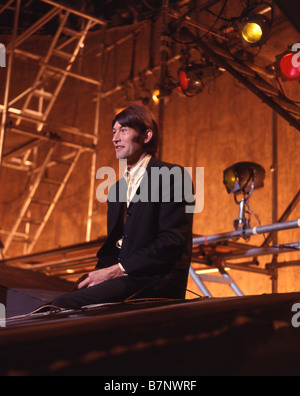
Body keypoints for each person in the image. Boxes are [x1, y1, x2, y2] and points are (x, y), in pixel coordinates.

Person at [52, 103, 194, 310]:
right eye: (114, 131)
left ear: (146, 137)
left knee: (63, 305)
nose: (115, 138)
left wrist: (115, 270)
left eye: (124, 130)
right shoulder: (117, 189)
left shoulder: (172, 176)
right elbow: (114, 246)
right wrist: (95, 275)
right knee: (53, 303)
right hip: (125, 278)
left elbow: (172, 240)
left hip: (157, 281)